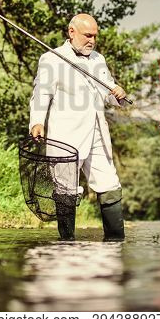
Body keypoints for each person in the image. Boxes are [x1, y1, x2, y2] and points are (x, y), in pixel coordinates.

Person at [29, 13, 126, 241]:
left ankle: (115, 242)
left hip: (97, 134)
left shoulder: (98, 59)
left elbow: (107, 90)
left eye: (95, 36)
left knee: (109, 183)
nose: (92, 40)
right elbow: (41, 93)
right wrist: (36, 122)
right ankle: (66, 242)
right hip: (66, 137)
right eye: (87, 35)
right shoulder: (52, 59)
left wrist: (118, 94)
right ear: (71, 32)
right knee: (65, 190)